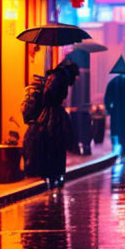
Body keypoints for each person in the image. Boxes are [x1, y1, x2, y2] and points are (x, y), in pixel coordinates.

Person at [22, 59, 79, 189]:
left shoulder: (57, 76)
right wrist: (57, 102)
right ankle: (54, 176)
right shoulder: (59, 78)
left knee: (54, 147)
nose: (75, 80)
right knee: (55, 147)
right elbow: (48, 95)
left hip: (53, 116)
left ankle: (53, 176)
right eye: (75, 76)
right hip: (53, 117)